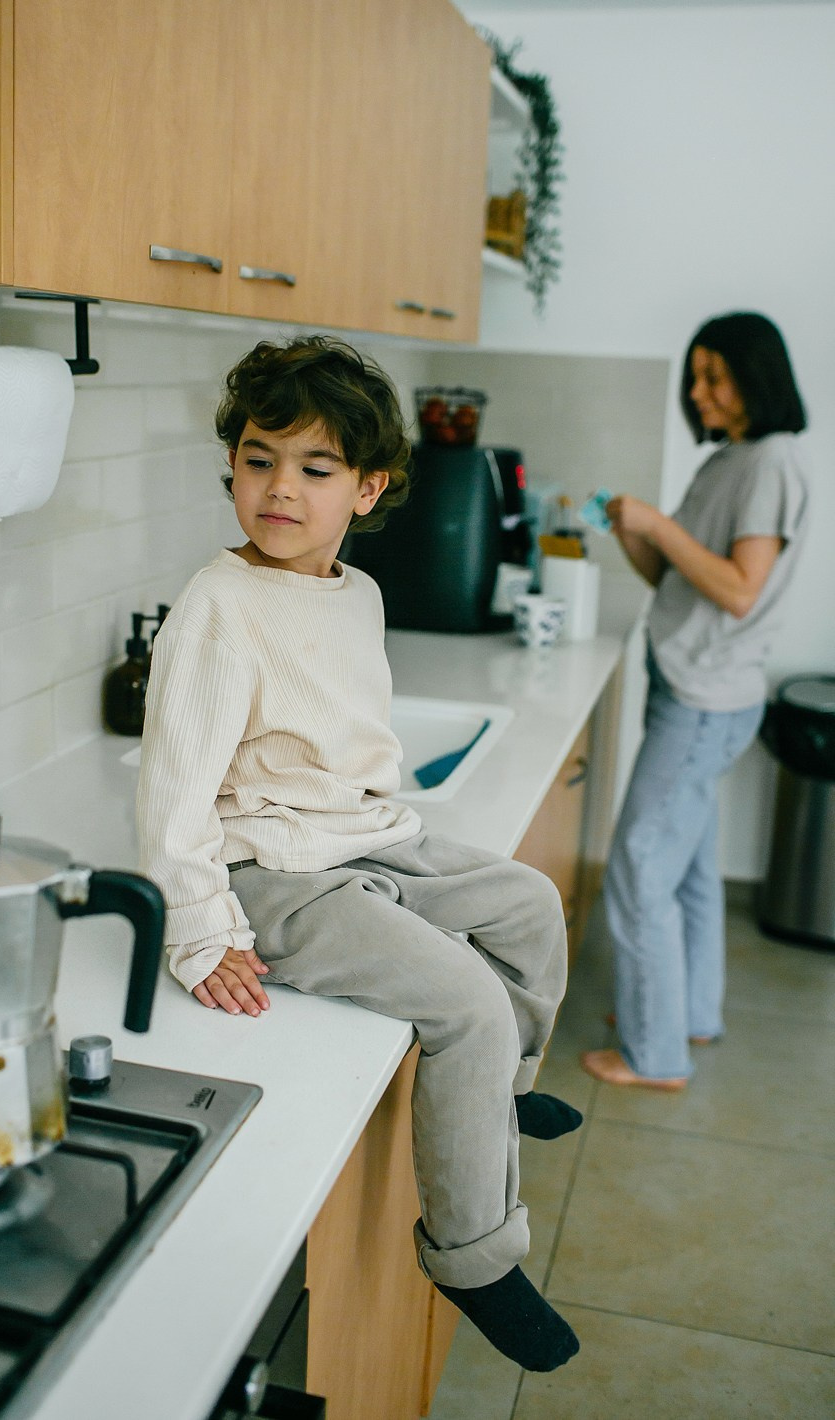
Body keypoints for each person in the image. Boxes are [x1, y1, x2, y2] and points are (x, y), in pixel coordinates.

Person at [137, 334, 580, 1373]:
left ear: (368, 486)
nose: (278, 488)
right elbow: (172, 793)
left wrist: (399, 846)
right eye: (258, 458)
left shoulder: (358, 592)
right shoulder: (216, 606)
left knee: (527, 904)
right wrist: (201, 933)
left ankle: (496, 1094)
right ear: (232, 466)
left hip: (365, 840)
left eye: (313, 468)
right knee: (464, 1000)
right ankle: (473, 1257)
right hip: (274, 877)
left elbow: (341, 754)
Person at [582, 312, 809, 1092]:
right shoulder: (734, 461)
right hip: (695, 689)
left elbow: (740, 593)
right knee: (686, 870)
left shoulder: (770, 464)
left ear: (758, 379)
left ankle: (655, 1053)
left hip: (704, 702)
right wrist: (636, 534)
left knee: (642, 865)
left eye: (714, 376)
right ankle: (687, 1013)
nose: (698, 391)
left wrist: (659, 524)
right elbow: (685, 582)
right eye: (695, 375)